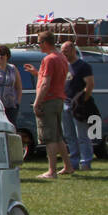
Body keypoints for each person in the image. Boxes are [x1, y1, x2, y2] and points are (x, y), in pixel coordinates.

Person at [23, 30, 72, 179]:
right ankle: (68, 166)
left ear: (45, 42)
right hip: (58, 99)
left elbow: (46, 83)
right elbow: (52, 78)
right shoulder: (61, 57)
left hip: (48, 100)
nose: (38, 46)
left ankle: (51, 171)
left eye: (39, 42)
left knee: (49, 137)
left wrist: (37, 102)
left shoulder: (49, 59)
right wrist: (37, 73)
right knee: (58, 136)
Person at [59, 42, 95, 170]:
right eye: (62, 51)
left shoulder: (83, 66)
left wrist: (83, 100)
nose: (64, 53)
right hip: (65, 104)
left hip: (78, 106)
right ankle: (74, 162)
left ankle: (85, 162)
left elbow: (90, 84)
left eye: (66, 50)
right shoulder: (65, 66)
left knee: (82, 136)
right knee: (69, 135)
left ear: (73, 50)